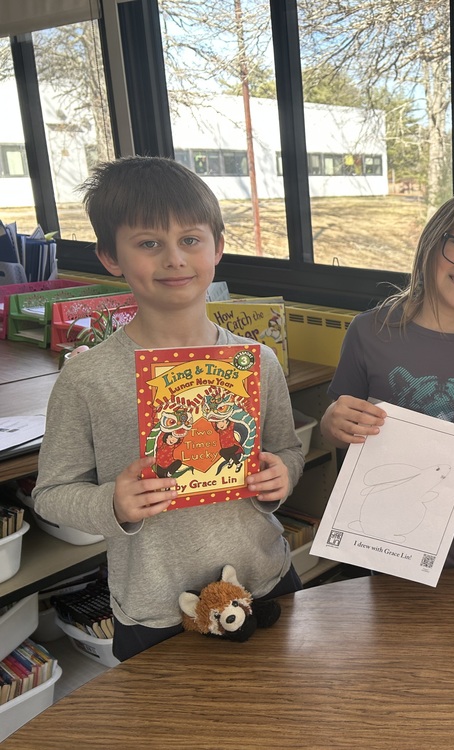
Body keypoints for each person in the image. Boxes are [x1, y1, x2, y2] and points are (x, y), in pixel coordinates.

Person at [32, 156, 304, 661]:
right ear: (111, 257)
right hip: (156, 605)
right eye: (149, 243)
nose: (174, 259)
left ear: (218, 247)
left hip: (263, 580)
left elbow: (285, 449)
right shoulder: (88, 376)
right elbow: (51, 493)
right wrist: (112, 505)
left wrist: (282, 474)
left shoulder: (257, 361)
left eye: (191, 240)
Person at [319, 191, 454, 568]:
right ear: (433, 240)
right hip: (380, 538)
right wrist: (333, 422)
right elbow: (335, 426)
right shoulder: (369, 332)